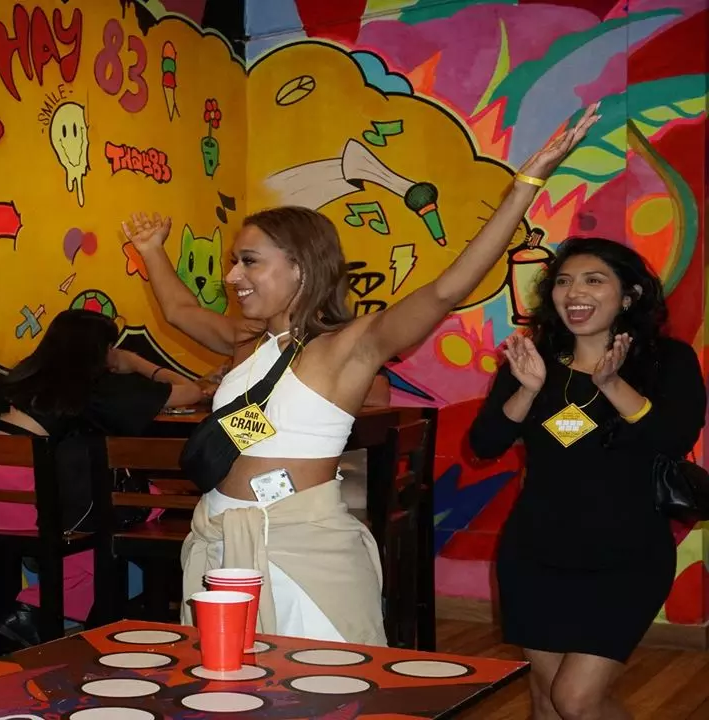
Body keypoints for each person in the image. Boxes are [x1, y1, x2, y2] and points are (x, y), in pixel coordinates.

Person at [122, 104, 600, 645]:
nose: (233, 276)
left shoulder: (348, 347)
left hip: (302, 546)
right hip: (221, 540)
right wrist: (152, 251)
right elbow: (180, 311)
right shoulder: (247, 340)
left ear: (301, 266)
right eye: (235, 261)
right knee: (232, 682)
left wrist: (524, 185)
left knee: (316, 683)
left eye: (249, 261)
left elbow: (447, 289)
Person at [468, 237, 704, 720]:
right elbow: (485, 444)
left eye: (594, 280)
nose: (575, 292)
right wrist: (527, 391)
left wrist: (611, 383)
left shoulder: (667, 360)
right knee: (546, 698)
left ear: (629, 296)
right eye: (564, 281)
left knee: (576, 700)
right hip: (534, 554)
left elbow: (673, 438)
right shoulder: (533, 360)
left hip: (627, 557)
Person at [0, 309, 203, 646]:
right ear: (101, 350)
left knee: (98, 528)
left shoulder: (21, 378)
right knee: (145, 507)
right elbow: (191, 392)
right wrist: (136, 362)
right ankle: (40, 610)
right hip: (26, 504)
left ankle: (42, 610)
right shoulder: (92, 387)